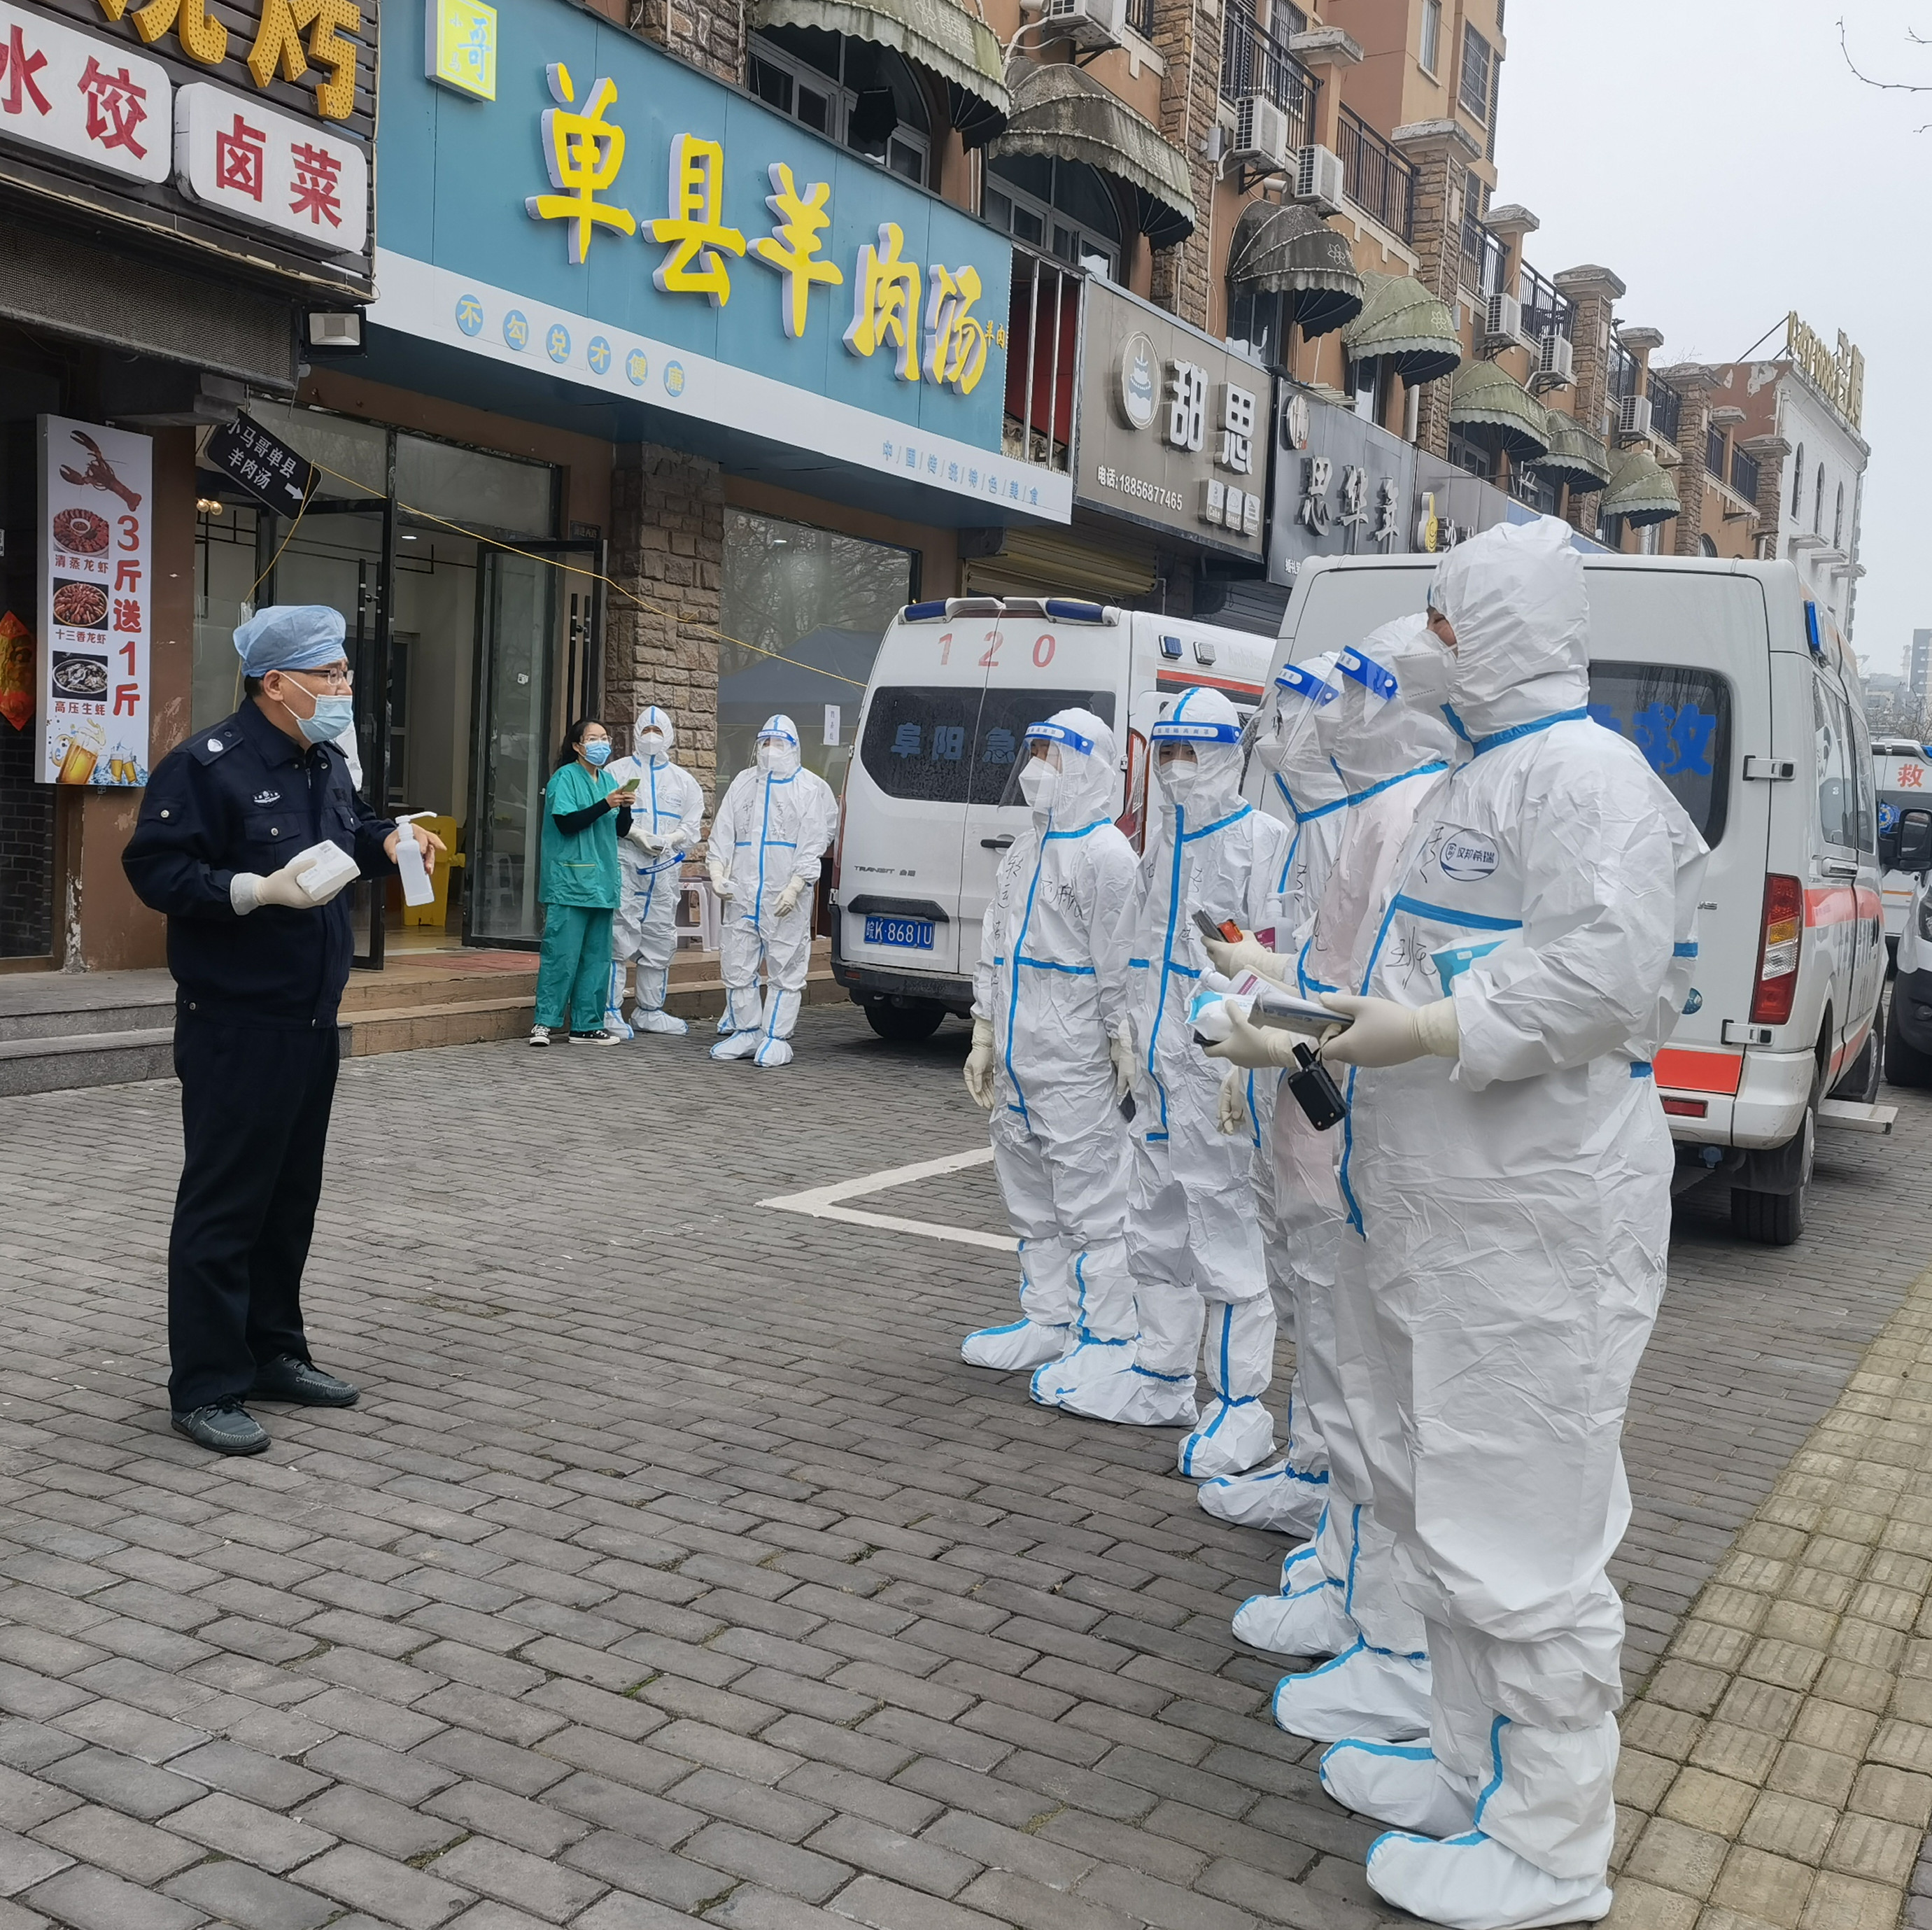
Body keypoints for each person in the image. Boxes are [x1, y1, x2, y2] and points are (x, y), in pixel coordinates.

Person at [1300, 518, 1705, 1930]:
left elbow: (1605, 974)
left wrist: (1424, 1027)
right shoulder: (1478, 776)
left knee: (1523, 1533)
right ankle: (1468, 1767)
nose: (1424, 644)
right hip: (1447, 1214)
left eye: (1445, 619)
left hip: (1536, 1220)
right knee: (1448, 1501)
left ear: (1504, 631)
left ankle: (1548, 1844)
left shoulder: (1584, 776)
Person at [122, 605, 442, 1455]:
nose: (345, 686)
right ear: (276, 683)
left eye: (343, 671)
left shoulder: (323, 760)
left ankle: (272, 1352)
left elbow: (351, 831)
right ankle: (206, 1384)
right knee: (225, 1205)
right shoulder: (205, 766)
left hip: (309, 1020)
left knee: (288, 1200)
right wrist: (254, 891)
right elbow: (155, 869)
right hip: (237, 1022)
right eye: (329, 673)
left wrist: (392, 840)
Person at [1199, 620, 1452, 1589]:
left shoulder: (1396, 816)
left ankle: (1351, 1549)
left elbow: (1371, 997)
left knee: (1356, 1351)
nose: (1308, 725)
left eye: (1344, 696)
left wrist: (1267, 1023)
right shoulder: (1351, 817)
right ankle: (1324, 1498)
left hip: (1352, 1120)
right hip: (1319, 1115)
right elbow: (1322, 965)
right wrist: (1263, 981)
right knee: (1323, 1320)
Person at [1032, 689, 1290, 1483]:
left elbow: (1272, 964)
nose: (1177, 768)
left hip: (1218, 1075)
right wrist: (1127, 1039)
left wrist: (1244, 1059)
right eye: (1166, 752)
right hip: (1156, 1074)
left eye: (1191, 752)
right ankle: (1162, 1373)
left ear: (1224, 756)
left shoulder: (1262, 841)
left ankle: (1240, 1404)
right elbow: (1139, 953)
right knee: (1155, 1223)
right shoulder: (1162, 843)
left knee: (1227, 1235)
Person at [960, 710, 1140, 1374]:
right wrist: (984, 1029)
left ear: (1090, 767)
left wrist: (1123, 1041)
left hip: (1076, 1064)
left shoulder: (1106, 856)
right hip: (1017, 1059)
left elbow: (1120, 965)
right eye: (1033, 752)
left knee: (1094, 1205)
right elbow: (996, 943)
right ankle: (1048, 1319)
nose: (1038, 769)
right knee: (1030, 1199)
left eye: (1052, 755)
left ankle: (1108, 1339)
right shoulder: (1025, 849)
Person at [708, 714, 839, 1068]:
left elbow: (815, 842)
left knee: (786, 964)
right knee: (737, 963)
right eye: (765, 742)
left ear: (794, 747)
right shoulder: (743, 782)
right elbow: (724, 831)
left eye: (779, 743)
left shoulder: (810, 788)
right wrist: (717, 871)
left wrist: (796, 886)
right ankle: (746, 1031)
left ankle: (776, 1037)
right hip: (742, 893)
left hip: (784, 894)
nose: (770, 750)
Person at [532, 719, 635, 1046]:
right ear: (577, 746)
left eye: (605, 738)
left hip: (601, 882)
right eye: (593, 739)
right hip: (570, 880)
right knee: (561, 955)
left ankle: (586, 1024)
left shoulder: (608, 780)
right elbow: (566, 823)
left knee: (596, 958)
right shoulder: (565, 778)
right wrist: (606, 804)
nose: (601, 744)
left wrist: (625, 808)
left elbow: (620, 830)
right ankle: (544, 1022)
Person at [604, 705, 705, 1038]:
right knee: (618, 935)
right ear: (636, 734)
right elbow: (606, 814)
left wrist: (671, 839)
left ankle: (649, 1011)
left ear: (669, 736)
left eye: (657, 732)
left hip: (663, 873)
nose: (651, 738)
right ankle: (609, 1011)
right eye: (646, 731)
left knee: (659, 937)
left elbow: (692, 824)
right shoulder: (616, 771)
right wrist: (635, 835)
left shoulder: (683, 782)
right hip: (625, 866)